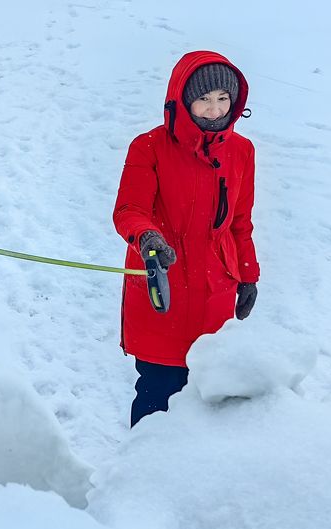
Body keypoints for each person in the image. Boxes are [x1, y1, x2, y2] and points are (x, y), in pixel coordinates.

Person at [113, 51, 260, 428]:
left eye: (223, 98)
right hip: (162, 287)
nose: (215, 109)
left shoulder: (242, 151)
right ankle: (143, 463)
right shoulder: (149, 147)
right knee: (157, 396)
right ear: (182, 100)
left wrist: (248, 276)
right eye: (204, 99)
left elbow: (240, 223)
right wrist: (147, 237)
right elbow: (129, 209)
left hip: (216, 294)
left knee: (208, 399)